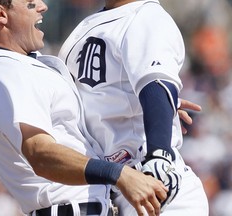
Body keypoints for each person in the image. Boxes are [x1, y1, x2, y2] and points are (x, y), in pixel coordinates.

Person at [0, 0, 169, 216]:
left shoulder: (10, 67)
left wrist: (145, 104)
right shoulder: (4, 73)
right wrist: (119, 174)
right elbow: (40, 153)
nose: (43, 6)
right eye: (31, 3)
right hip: (67, 208)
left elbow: (76, 117)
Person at [58, 0, 209, 215]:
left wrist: (160, 154)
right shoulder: (97, 20)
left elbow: (156, 83)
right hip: (117, 185)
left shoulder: (146, 16)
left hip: (152, 182)